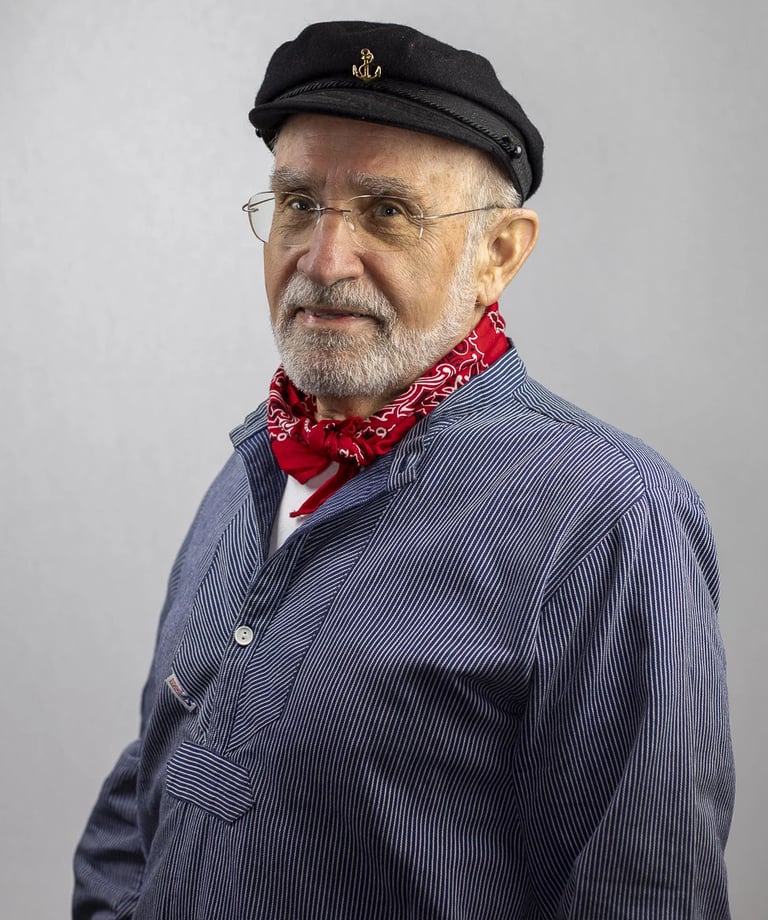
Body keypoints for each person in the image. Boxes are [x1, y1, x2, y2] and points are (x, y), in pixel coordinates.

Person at [72, 20, 734, 919]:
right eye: (298, 202)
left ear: (499, 254)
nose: (323, 260)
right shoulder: (255, 468)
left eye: (388, 211)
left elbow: (644, 894)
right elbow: (150, 783)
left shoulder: (612, 518)